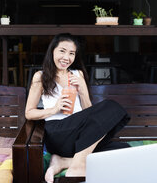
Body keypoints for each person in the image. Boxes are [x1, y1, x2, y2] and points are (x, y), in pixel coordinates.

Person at [25, 33, 130, 183]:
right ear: (52, 51)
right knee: (111, 106)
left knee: (124, 149)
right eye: (62, 51)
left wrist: (82, 89)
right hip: (58, 132)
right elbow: (29, 113)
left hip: (80, 134)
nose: (66, 57)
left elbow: (89, 111)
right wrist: (54, 109)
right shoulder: (40, 77)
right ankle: (78, 165)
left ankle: (63, 162)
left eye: (71, 53)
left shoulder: (77, 74)